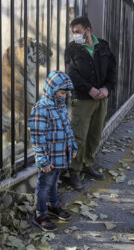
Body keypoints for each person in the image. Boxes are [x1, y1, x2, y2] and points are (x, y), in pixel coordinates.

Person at [64, 16, 116, 190]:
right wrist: (89, 89)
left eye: (78, 31)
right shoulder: (72, 49)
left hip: (102, 98)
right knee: (78, 136)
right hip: (83, 99)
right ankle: (74, 172)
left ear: (88, 30)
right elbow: (72, 74)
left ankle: (87, 165)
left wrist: (107, 88)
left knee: (95, 134)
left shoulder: (103, 46)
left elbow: (112, 70)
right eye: (73, 33)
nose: (75, 35)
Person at [29, 70, 78, 232]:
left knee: (54, 182)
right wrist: (43, 160)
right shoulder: (41, 109)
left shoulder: (61, 107)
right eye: (61, 92)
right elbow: (37, 138)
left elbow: (68, 129)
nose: (64, 96)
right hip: (49, 158)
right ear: (51, 90)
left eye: (65, 93)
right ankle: (40, 213)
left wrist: (73, 147)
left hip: (60, 156)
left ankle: (53, 205)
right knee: (44, 185)